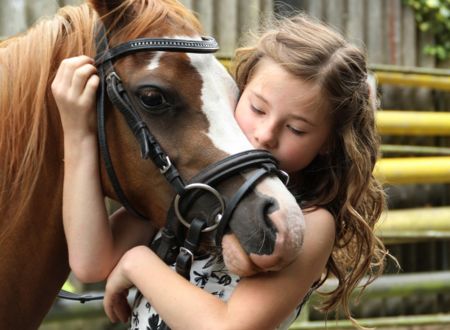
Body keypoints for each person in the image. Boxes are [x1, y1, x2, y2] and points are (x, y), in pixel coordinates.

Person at [52, 12, 389, 330]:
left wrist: (136, 263)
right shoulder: (196, 190)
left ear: (328, 141)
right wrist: (78, 134)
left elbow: (228, 326)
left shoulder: (312, 221)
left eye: (297, 129)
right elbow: (91, 261)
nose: (265, 134)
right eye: (257, 108)